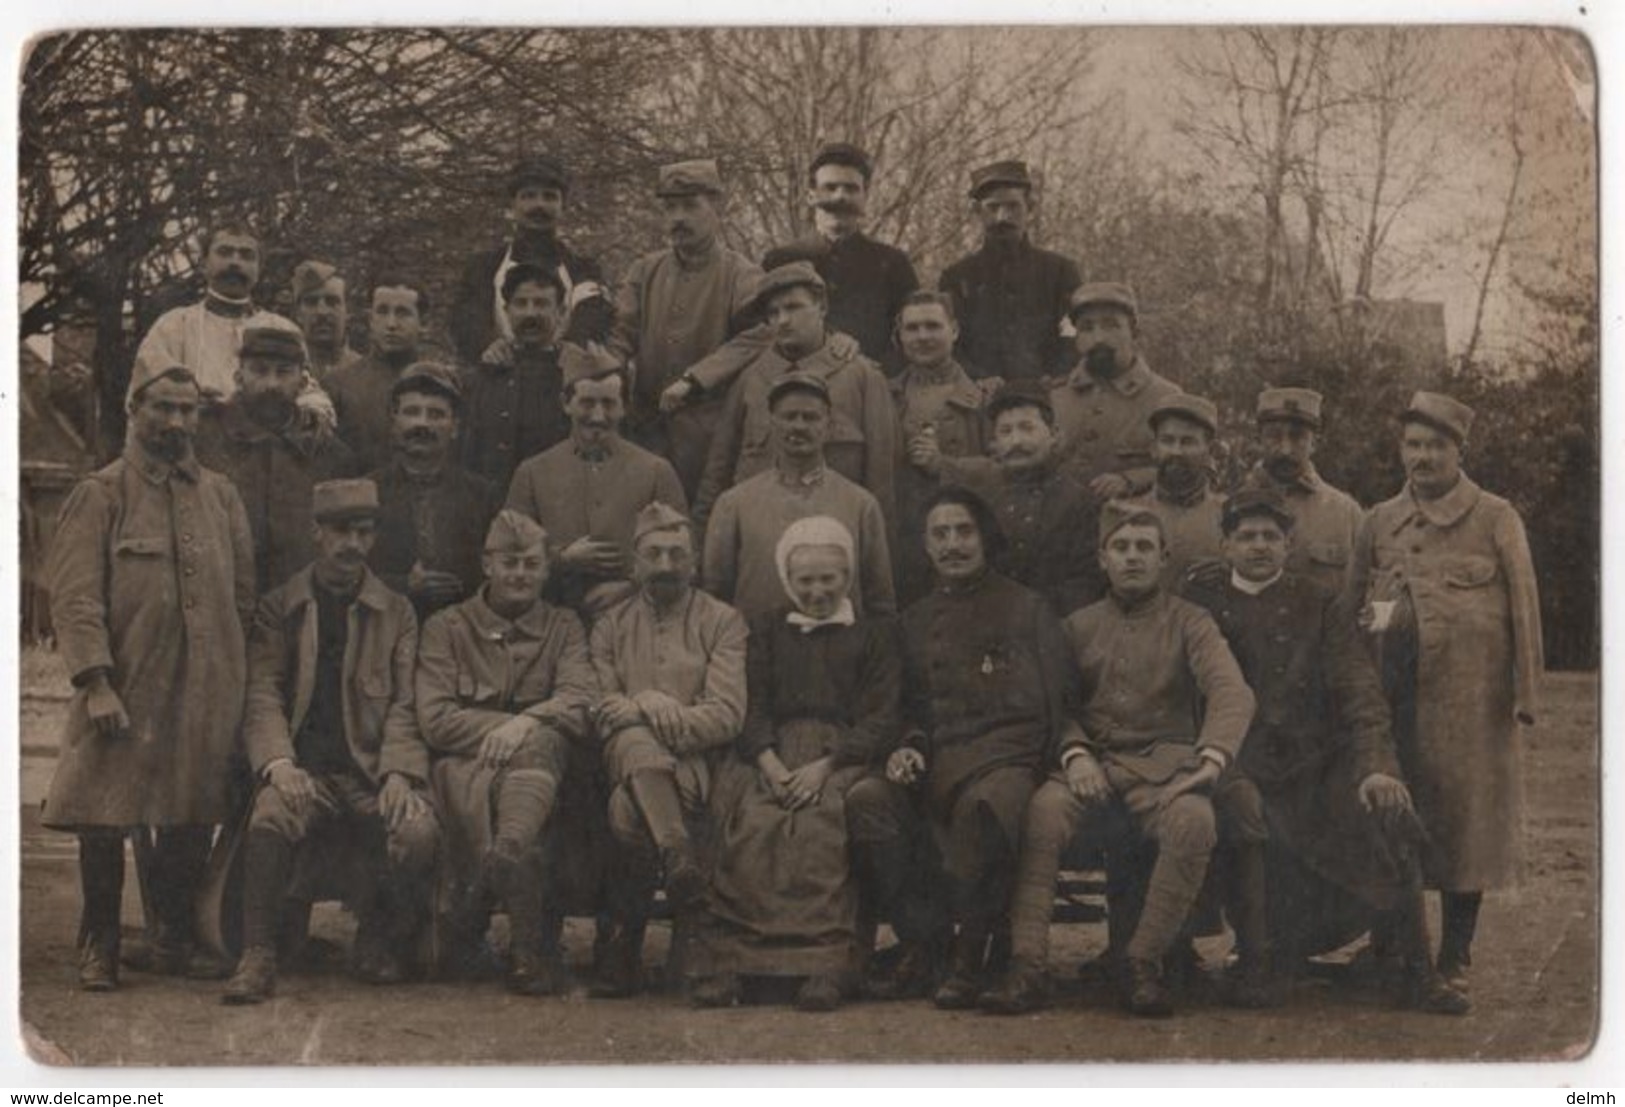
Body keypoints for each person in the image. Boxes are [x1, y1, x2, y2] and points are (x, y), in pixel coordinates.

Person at [1180, 488, 1469, 1014]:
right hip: (1234, 760)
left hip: (1313, 764)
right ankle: (1256, 961)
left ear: (1289, 545)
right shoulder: (1200, 605)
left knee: (1388, 809)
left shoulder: (1320, 603)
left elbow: (1359, 692)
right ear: (1225, 545)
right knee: (1241, 812)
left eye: (1271, 536)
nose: (1260, 546)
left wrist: (1377, 769)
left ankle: (1415, 971)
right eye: (1246, 536)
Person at [983, 503, 1253, 1018]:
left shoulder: (1191, 622)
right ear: (1102, 558)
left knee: (1195, 820)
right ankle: (1027, 966)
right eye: (1121, 547)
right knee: (1042, 812)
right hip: (1091, 764)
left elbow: (1231, 692)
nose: (1132, 558)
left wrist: (1210, 761)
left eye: (1144, 548)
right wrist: (1076, 753)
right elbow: (1054, 704)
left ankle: (1141, 963)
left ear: (1163, 558)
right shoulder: (1076, 626)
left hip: (1163, 770)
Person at [42, 360, 255, 990]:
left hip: (204, 687)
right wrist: (96, 682)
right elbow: (75, 599)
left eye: (188, 410)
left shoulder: (220, 495)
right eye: (163, 407)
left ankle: (171, 936)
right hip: (126, 687)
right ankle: (99, 944)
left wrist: (233, 682)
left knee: (190, 810)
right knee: (105, 814)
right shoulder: (101, 493)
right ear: (135, 410)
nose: (176, 422)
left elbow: (242, 598)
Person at [845, 487, 1080, 1009]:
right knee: (868, 801)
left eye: (964, 531)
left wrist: (1005, 758)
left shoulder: (1027, 607)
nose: (953, 544)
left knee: (985, 806)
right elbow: (901, 708)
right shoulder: (912, 621)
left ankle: (970, 959)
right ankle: (923, 945)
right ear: (926, 547)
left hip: (1007, 760)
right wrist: (904, 748)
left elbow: (1053, 704)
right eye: (940, 534)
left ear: (985, 537)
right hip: (934, 761)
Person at [1349, 391, 1542, 991]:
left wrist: (1525, 694)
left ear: (1459, 451)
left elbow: (1524, 607)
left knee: (1467, 827)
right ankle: (1393, 946)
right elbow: (1360, 606)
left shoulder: (1494, 515)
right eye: (1413, 445)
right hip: (1396, 696)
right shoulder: (1379, 519)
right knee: (1393, 814)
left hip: (1471, 704)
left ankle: (1455, 955)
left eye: (1436, 446)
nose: (1423, 457)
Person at [222, 479, 441, 1004]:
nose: (353, 546)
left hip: (369, 771)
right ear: (316, 533)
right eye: (341, 532)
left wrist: (398, 773)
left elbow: (408, 702)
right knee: (272, 813)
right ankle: (260, 953)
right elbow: (262, 692)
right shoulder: (282, 607)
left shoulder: (397, 611)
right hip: (307, 772)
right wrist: (278, 763)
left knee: (417, 831)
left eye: (364, 534)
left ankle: (380, 937)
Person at [695, 516, 901, 1012]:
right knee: (752, 822)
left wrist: (825, 768)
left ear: (847, 575)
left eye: (829, 578)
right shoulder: (766, 629)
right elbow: (752, 706)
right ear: (789, 579)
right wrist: (769, 765)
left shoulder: (874, 635)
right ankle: (737, 966)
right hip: (774, 752)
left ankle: (824, 966)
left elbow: (880, 716)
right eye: (805, 580)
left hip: (843, 756)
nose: (817, 590)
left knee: (818, 825)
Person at [415, 510, 599, 995]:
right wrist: (513, 728)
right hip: (467, 769)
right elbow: (434, 718)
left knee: (545, 743)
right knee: (541, 746)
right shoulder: (446, 627)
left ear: (546, 570)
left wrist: (523, 723)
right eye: (509, 562)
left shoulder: (565, 626)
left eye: (531, 564)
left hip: (540, 769)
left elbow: (580, 700)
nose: (520, 574)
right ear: (486, 566)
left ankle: (509, 862)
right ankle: (526, 948)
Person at [587, 502, 748, 998]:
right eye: (653, 554)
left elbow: (727, 713)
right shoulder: (610, 625)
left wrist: (645, 709)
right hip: (625, 755)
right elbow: (600, 707)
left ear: (694, 562)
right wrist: (642, 707)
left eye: (677, 554)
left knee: (625, 807)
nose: (664, 566)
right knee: (630, 743)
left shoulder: (722, 621)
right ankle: (679, 861)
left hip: (695, 767)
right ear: (634, 564)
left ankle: (623, 945)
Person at [695, 262, 896, 526]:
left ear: (822, 308)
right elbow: (717, 472)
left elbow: (882, 483)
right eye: (773, 312)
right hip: (760, 533)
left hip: (834, 541)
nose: (783, 320)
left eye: (793, 307)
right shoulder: (750, 379)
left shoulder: (863, 378)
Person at [609, 159, 764, 498]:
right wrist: (609, 374)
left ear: (716, 209)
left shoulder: (742, 275)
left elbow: (759, 336)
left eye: (690, 206)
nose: (679, 217)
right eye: (670, 208)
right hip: (645, 430)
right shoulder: (644, 271)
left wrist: (694, 380)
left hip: (709, 437)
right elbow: (621, 333)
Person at [505, 345, 687, 615]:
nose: (598, 416)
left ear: (624, 407)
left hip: (637, 618)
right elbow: (508, 554)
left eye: (609, 403)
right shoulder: (532, 472)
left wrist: (631, 586)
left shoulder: (656, 471)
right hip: (551, 616)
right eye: (587, 403)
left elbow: (684, 555)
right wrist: (562, 559)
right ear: (566, 404)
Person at [702, 372, 895, 621]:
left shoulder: (860, 504)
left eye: (811, 417)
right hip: (759, 652)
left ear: (829, 425)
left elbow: (880, 601)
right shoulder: (734, 504)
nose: (799, 426)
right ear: (772, 423)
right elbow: (715, 596)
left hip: (841, 652)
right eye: (789, 416)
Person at [195, 326, 360, 596]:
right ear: (239, 377)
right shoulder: (204, 439)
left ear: (303, 382)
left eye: (283, 372)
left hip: (301, 605)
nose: (272, 383)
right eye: (259, 370)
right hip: (219, 600)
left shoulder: (330, 454)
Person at [926, 381, 1104, 614]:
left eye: (1027, 428)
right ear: (996, 442)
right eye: (1006, 431)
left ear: (1054, 434)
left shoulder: (1080, 502)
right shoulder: (981, 498)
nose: (1016, 441)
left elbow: (1086, 585)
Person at [760, 142, 919, 366]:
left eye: (851, 188)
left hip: (874, 386)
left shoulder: (892, 263)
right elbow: (762, 332)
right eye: (830, 187)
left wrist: (880, 371)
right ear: (810, 196)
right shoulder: (779, 260)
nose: (840, 197)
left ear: (865, 196)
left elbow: (912, 333)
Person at [367, 362, 502, 621]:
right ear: (394, 422)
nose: (422, 423)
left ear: (455, 428)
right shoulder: (368, 491)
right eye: (412, 412)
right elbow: (347, 572)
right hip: (383, 629)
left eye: (436, 414)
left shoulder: (482, 495)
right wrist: (404, 585)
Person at [450, 155, 613, 363]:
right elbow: (466, 319)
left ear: (563, 206)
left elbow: (593, 316)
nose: (539, 205)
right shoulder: (484, 267)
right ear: (512, 204)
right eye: (529, 196)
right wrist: (487, 346)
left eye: (549, 197)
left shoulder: (583, 270)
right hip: (498, 377)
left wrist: (572, 348)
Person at [133, 222, 312, 408]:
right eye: (224, 252)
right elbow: (144, 396)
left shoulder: (283, 329)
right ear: (203, 264)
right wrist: (189, 400)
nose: (235, 262)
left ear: (259, 269)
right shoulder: (172, 328)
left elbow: (309, 394)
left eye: (246, 255)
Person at [888, 291, 990, 605]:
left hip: (963, 546)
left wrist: (944, 466)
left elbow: (1004, 471)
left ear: (954, 330)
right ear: (900, 335)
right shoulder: (883, 395)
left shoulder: (984, 397)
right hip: (900, 546)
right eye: (912, 328)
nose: (922, 337)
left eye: (933, 326)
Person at [938, 160, 1081, 383]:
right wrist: (978, 380)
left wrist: (1056, 376)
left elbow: (1073, 333)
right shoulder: (957, 277)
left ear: (1030, 208)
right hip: (978, 397)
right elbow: (948, 343)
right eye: (993, 207)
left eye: (1013, 206)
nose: (1002, 217)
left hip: (1047, 396)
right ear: (977, 211)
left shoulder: (1060, 271)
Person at [1049, 281, 1182, 499]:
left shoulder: (1166, 398)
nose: (1098, 338)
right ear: (1077, 338)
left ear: (1134, 332)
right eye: (1087, 328)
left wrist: (1132, 480)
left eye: (1111, 325)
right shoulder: (1056, 396)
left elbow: (1192, 468)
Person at [459, 263, 573, 491]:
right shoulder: (481, 377)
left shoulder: (576, 376)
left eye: (541, 303)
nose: (530, 313)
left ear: (560, 312)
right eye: (521, 303)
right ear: (507, 310)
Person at [1242, 387, 1365, 594]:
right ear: (1258, 439)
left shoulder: (1347, 514)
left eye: (1297, 437)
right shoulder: (1232, 506)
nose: (1285, 449)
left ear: (1314, 443)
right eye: (1274, 436)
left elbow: (1366, 592)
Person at [327, 278, 435, 472]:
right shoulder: (338, 385)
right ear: (370, 320)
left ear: (424, 323)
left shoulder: (438, 385)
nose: (391, 324)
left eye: (403, 313)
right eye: (382, 312)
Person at [1121, 392, 1226, 590]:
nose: (1176, 451)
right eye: (1167, 441)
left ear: (1209, 450)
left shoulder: (1228, 516)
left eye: (1188, 442)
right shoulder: (1125, 514)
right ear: (1154, 448)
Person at [289, 260, 361, 382]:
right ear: (298, 313)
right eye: (311, 302)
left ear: (348, 310)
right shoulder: (285, 372)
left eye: (332, 302)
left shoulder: (366, 373)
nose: (322, 312)